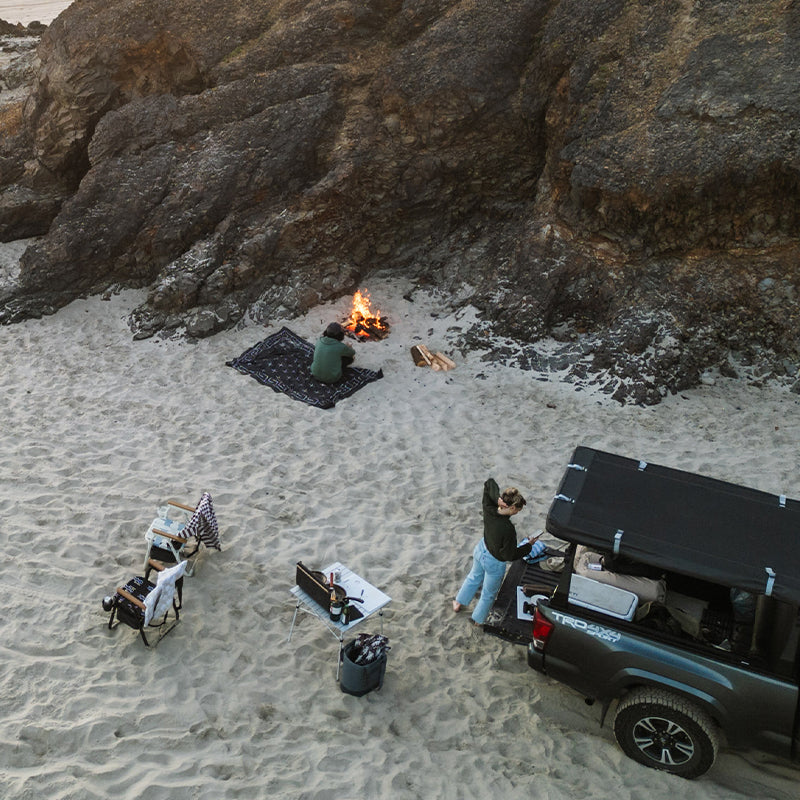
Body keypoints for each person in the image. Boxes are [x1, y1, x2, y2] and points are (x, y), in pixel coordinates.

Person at [453, 478, 542, 626]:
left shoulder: (489, 508)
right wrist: (528, 546)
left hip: (481, 549)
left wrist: (496, 498)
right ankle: (478, 620)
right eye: (517, 510)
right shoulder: (508, 529)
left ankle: (458, 602)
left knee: (473, 577)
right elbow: (509, 555)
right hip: (494, 562)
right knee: (488, 594)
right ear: (512, 508)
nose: (517, 513)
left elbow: (489, 483)